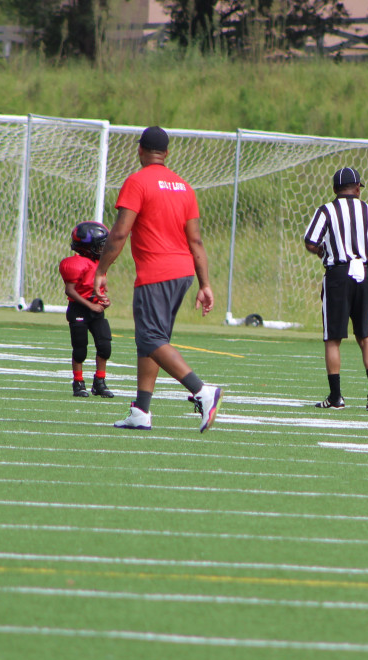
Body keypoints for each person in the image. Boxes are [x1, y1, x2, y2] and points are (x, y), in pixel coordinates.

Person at [93, 125, 222, 432]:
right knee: (152, 341)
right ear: (166, 154)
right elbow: (196, 242)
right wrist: (204, 284)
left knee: (150, 339)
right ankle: (141, 411)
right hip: (183, 275)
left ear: (139, 150)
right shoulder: (184, 187)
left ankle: (201, 391)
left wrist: (101, 269)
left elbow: (120, 231)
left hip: (155, 274)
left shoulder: (137, 182)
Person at [302, 166, 368, 411]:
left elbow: (310, 241)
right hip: (365, 274)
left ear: (335, 190)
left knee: (333, 338)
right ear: (357, 189)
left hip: (338, 274)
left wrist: (325, 251)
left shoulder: (327, 210)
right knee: (365, 337)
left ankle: (336, 397)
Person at [61, 221, 115, 399]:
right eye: (100, 245)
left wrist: (103, 300)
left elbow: (99, 289)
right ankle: (78, 383)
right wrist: (91, 304)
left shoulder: (100, 263)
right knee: (80, 349)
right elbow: (70, 290)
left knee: (105, 346)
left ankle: (99, 382)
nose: (103, 249)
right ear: (87, 247)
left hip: (95, 308)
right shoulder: (76, 264)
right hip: (79, 309)